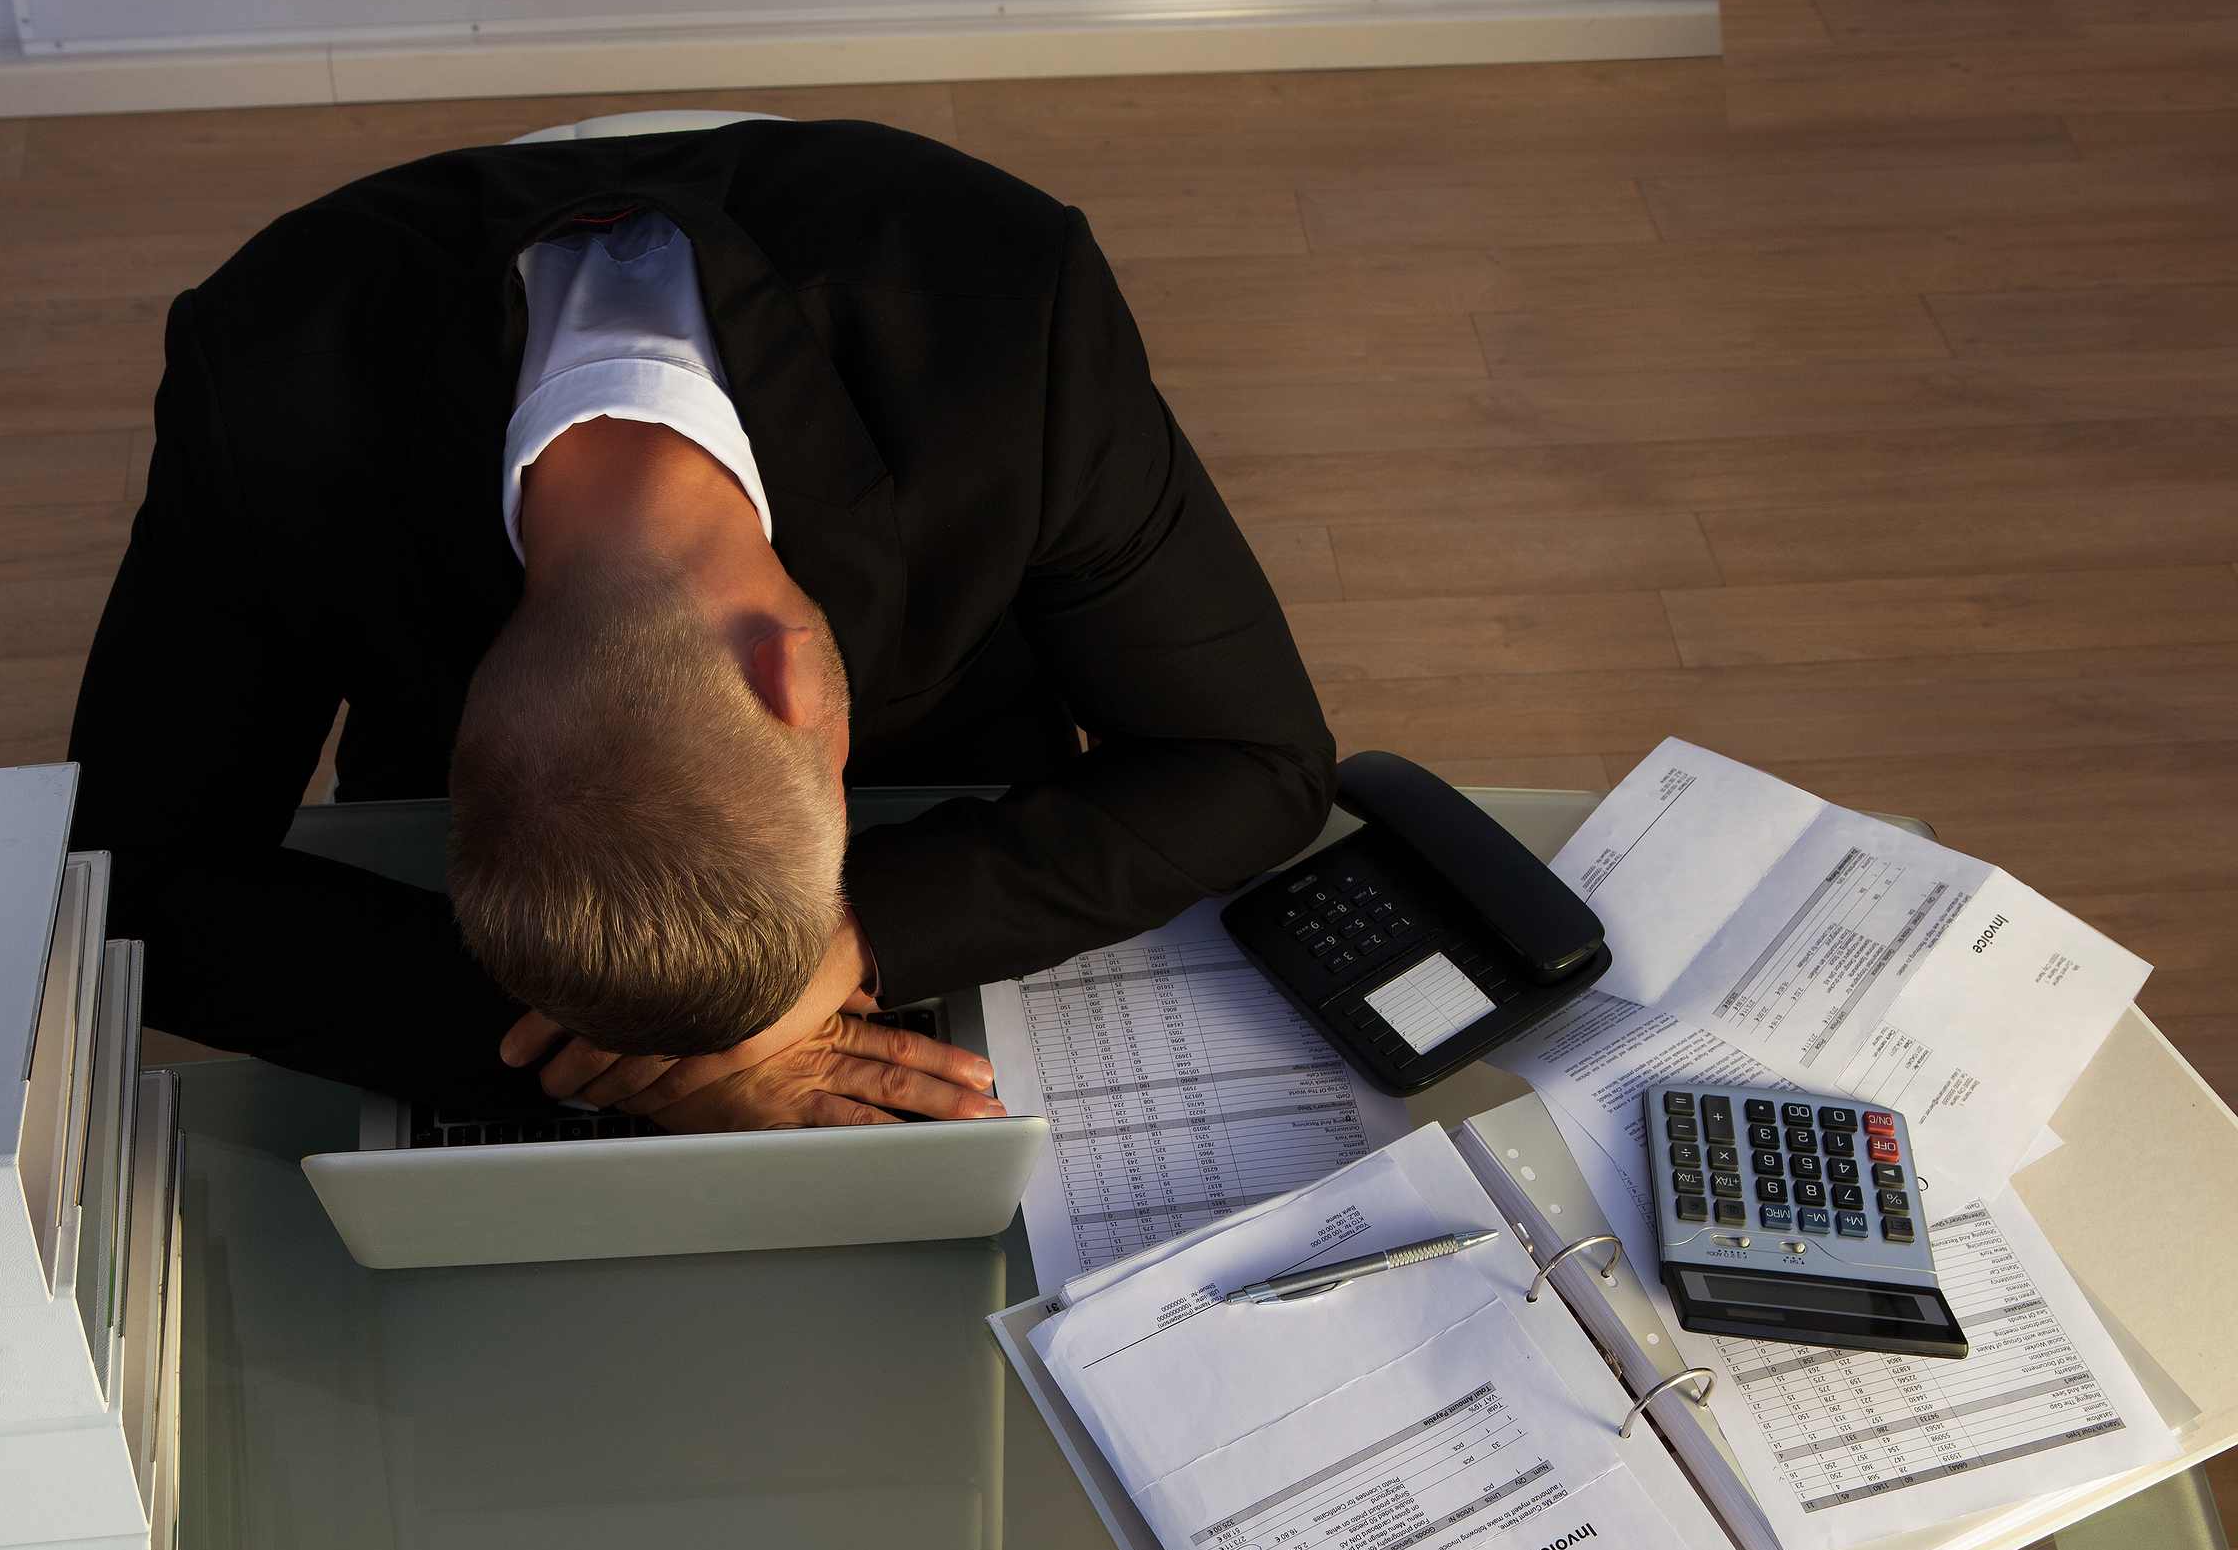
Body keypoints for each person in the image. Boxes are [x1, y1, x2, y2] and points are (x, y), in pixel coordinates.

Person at [65, 116, 1335, 1131]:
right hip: (501, 949)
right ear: (465, 735)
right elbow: (131, 882)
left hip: (961, 799)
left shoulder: (1011, 309)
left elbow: (1256, 764)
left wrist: (853, 944)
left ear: (793, 679)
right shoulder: (259, 387)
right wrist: (641, 1061)